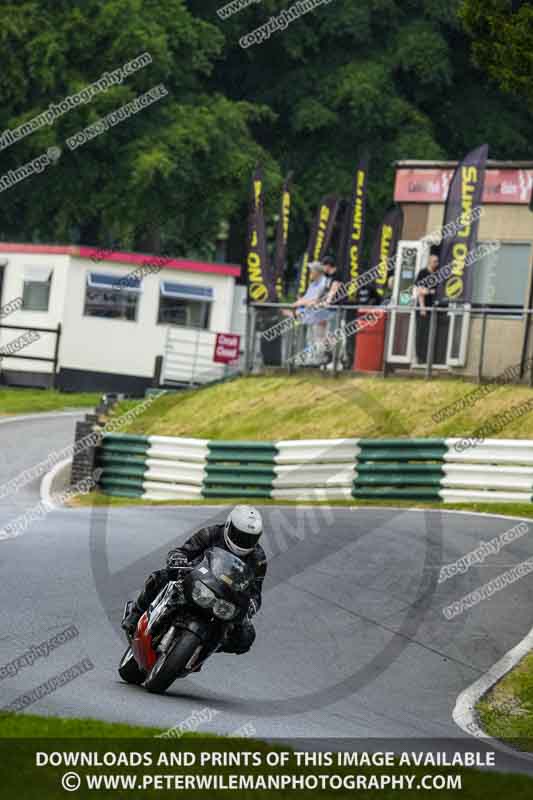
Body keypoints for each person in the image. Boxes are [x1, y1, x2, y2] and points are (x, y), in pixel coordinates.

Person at [122, 506, 267, 656]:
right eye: (240, 535)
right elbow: (182, 551)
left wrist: (251, 606)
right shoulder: (211, 533)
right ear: (229, 526)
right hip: (195, 578)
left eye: (250, 538)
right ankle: (135, 615)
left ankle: (208, 646)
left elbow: (255, 592)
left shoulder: (258, 559)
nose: (244, 542)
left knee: (246, 637)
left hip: (225, 598)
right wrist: (178, 559)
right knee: (160, 577)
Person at [414, 253, 439, 363]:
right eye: (435, 262)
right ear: (429, 262)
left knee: (430, 332)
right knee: (421, 332)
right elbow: (420, 291)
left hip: (433, 307)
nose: (436, 264)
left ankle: (428, 357)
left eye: (437, 262)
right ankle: (420, 357)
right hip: (423, 308)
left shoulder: (437, 274)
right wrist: (422, 307)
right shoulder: (423, 273)